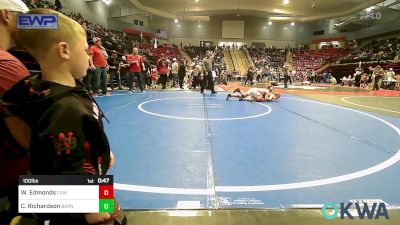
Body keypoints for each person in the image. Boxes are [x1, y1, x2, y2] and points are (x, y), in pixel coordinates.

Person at [3, 8, 122, 225]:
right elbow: (68, 164)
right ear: (64, 50)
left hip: (76, 181)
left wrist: (101, 153)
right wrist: (93, 208)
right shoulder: (65, 107)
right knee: (113, 218)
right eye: (86, 50)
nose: (89, 57)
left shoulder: (35, 88)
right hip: (76, 202)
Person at [0, 1, 30, 224]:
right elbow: (32, 141)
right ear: (6, 16)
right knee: (101, 200)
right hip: (13, 189)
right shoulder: (7, 66)